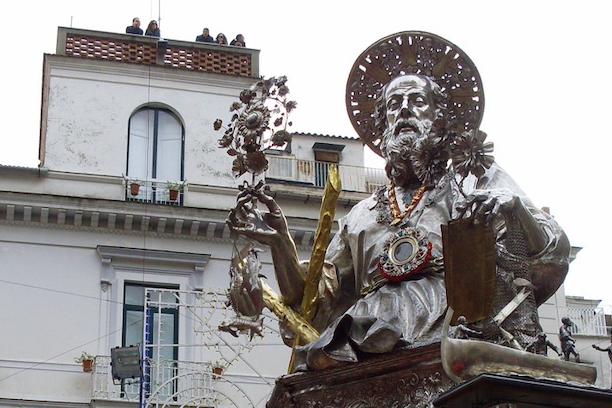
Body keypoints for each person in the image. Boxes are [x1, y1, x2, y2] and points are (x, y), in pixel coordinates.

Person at [227, 34, 570, 372]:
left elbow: (548, 251)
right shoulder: (361, 215)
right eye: (394, 104)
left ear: (439, 119)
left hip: (450, 324)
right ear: (383, 123)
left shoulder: (471, 180)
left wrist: (514, 208)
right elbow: (314, 304)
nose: (404, 110)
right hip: (366, 330)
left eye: (417, 101)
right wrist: (281, 243)